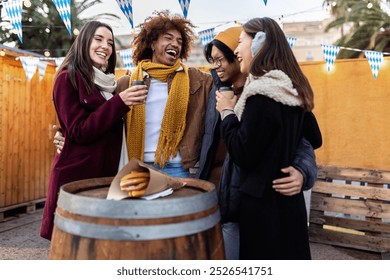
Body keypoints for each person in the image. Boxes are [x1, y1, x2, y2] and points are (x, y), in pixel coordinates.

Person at [196, 26, 321, 259]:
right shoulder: (214, 89)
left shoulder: (274, 91)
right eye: (212, 60)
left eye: (221, 59)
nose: (216, 66)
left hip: (253, 200)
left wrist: (303, 172)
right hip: (215, 197)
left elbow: (305, 141)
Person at [40, 21, 148, 240]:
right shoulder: (67, 78)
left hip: (104, 177)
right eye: (98, 39)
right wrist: (120, 103)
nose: (105, 46)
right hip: (78, 179)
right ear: (84, 42)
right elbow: (79, 130)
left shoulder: (107, 84)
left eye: (110, 42)